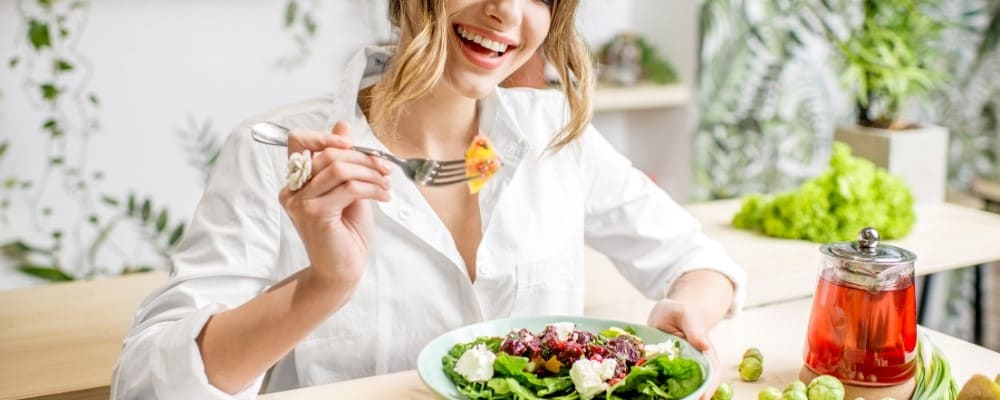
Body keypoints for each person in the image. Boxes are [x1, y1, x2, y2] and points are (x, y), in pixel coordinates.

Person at [111, 1, 746, 399]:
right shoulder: (277, 151)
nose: (503, 11)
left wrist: (684, 311)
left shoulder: (557, 135)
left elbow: (700, 262)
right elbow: (147, 386)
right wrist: (324, 286)